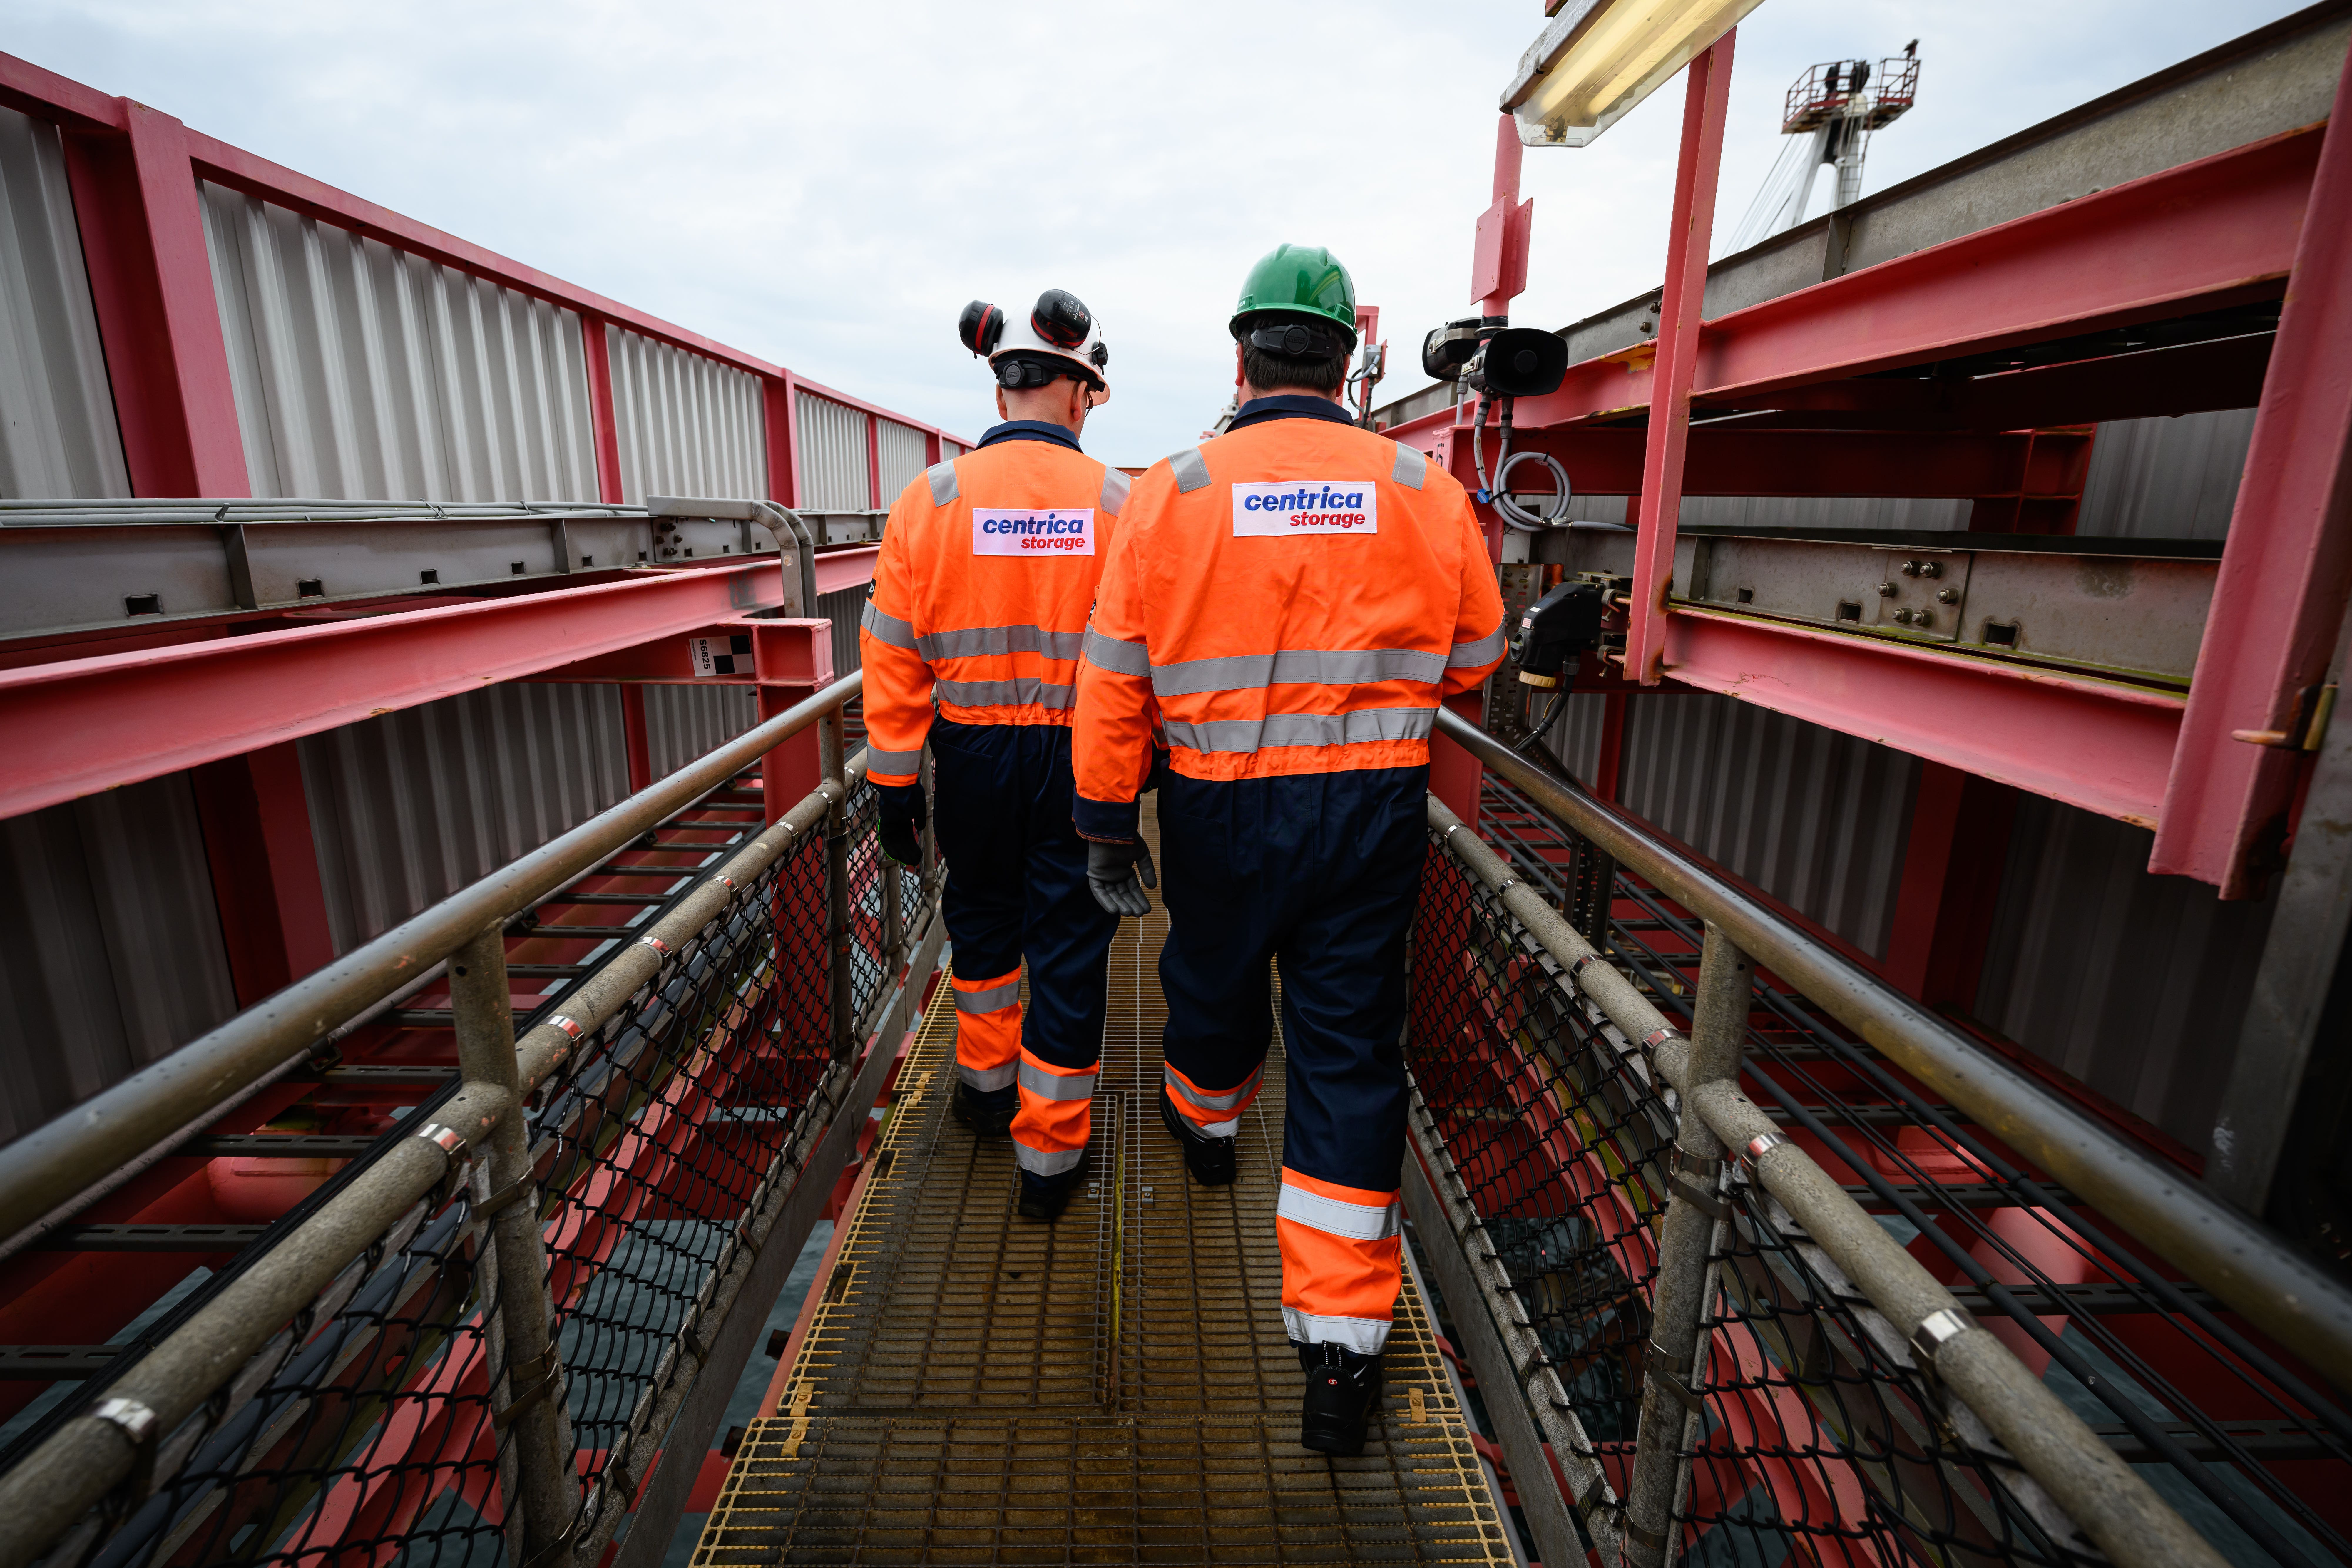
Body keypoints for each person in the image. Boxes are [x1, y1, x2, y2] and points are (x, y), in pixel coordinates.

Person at [1069, 245, 1506, 1455]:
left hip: (1220, 807)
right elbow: (1477, 651)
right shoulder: (1423, 489)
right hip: (1374, 809)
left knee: (1209, 983)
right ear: (1353, 358)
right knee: (1351, 1048)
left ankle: (1208, 1130)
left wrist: (1109, 818)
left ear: (1242, 353)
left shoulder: (1174, 490)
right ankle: (1339, 1347)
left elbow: (1115, 679)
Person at [860, 288, 1135, 1222]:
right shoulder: (1119, 504)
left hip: (969, 752)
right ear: (1078, 393)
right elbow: (1151, 652)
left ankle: (982, 1084)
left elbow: (892, 654)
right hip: (1080, 757)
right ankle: (1049, 1159)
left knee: (979, 916)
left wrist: (895, 782)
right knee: (1069, 941)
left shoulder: (929, 499)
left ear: (1000, 383)